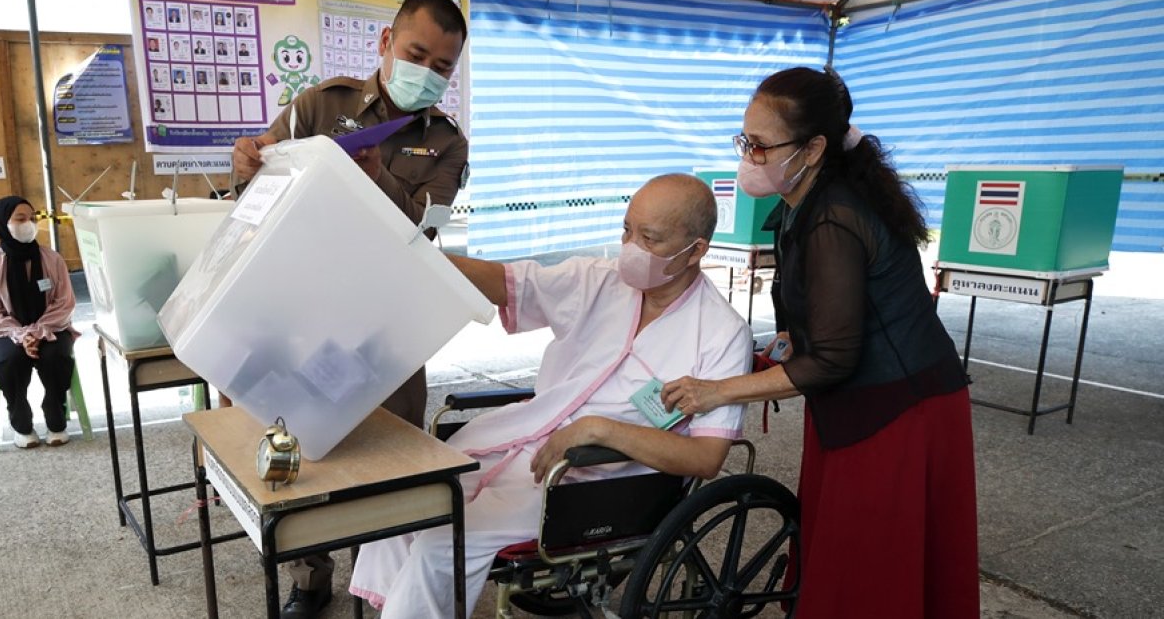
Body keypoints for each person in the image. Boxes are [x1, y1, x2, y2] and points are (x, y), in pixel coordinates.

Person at [349, 173, 753, 617]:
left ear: (696, 249)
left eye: (649, 239)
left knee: (441, 541)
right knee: (400, 505)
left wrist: (597, 430)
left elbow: (705, 459)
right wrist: (414, 256)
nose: (631, 248)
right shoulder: (598, 281)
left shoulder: (721, 333)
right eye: (626, 230)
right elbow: (505, 281)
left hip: (591, 485)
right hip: (520, 442)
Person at [661, 66, 979, 619]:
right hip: (861, 405)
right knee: (844, 553)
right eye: (744, 141)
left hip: (898, 414)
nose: (748, 158)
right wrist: (783, 344)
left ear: (812, 148)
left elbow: (834, 358)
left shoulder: (835, 216)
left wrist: (720, 391)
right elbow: (817, 320)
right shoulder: (803, 199)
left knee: (870, 569)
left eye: (760, 147)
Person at [231, 0, 470, 619]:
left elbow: (426, 228)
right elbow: (260, 180)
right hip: (301, 301)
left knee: (392, 447)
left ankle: (381, 570)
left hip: (387, 317)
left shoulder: (446, 141)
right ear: (386, 44)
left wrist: (376, 177)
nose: (428, 72)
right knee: (300, 441)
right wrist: (246, 161)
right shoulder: (320, 103)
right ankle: (311, 576)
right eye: (418, 54)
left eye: (443, 66)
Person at [0, 197, 80, 449]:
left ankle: (56, 418)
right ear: (1, 224)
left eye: (32, 218)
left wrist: (38, 332)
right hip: (5, 333)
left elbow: (65, 304)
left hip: (51, 328)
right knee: (11, 359)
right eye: (20, 219)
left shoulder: (52, 259)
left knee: (55, 355)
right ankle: (21, 424)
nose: (29, 224)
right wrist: (21, 335)